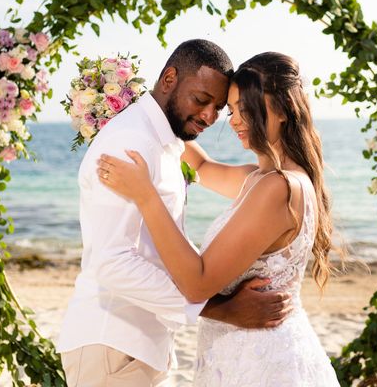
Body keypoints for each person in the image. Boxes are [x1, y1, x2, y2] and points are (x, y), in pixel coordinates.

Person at [58, 41, 293, 387]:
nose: (210, 117)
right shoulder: (129, 144)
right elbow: (111, 262)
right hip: (112, 343)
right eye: (201, 101)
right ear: (169, 79)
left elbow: (212, 174)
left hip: (142, 344)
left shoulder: (168, 142)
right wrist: (221, 308)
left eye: (218, 107)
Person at [97, 51, 341, 386]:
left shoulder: (277, 189)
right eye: (233, 110)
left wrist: (145, 196)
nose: (235, 121)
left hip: (259, 363)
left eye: (247, 109)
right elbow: (201, 167)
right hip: (249, 353)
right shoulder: (268, 179)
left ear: (283, 110)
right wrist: (138, 109)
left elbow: (197, 284)